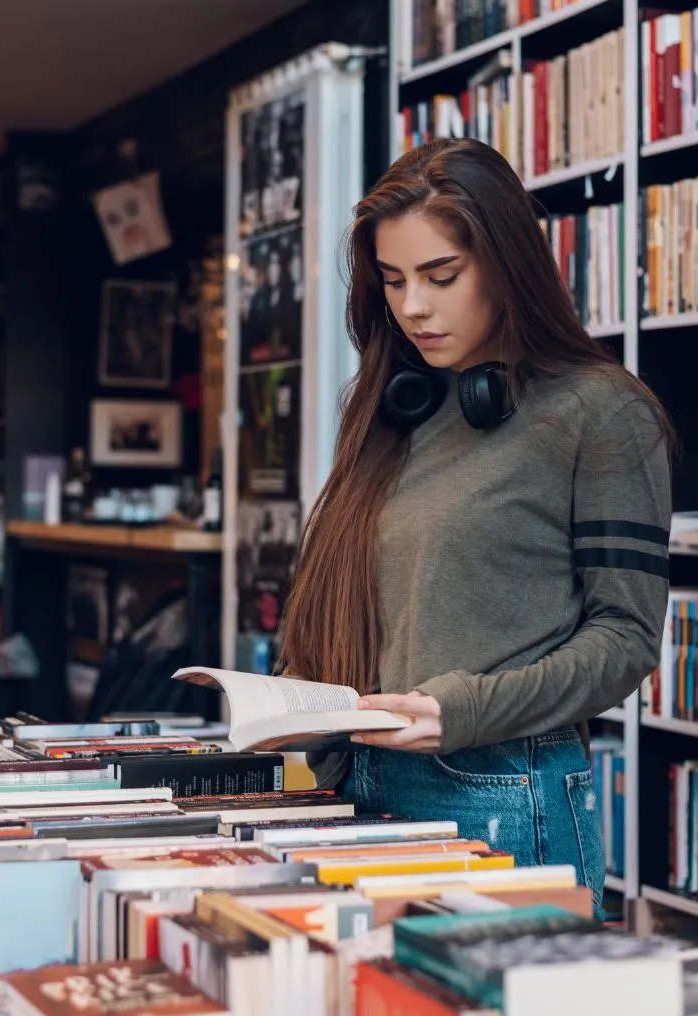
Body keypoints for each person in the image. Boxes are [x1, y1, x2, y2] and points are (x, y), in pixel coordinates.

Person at [277, 138, 674, 916]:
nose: (413, 307)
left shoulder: (602, 412)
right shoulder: (395, 409)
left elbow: (626, 639)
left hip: (500, 791)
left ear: (506, 264)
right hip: (355, 782)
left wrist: (461, 709)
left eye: (441, 276)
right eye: (392, 281)